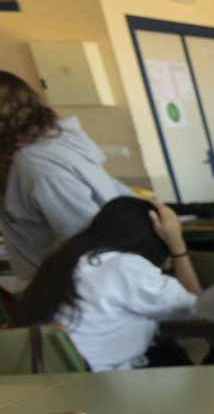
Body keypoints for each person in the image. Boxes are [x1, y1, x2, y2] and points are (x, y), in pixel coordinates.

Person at [11, 196, 204, 370]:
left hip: (43, 379)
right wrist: (177, 245)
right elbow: (198, 305)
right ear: (154, 237)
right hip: (98, 384)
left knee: (167, 351)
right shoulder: (126, 266)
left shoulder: (67, 259)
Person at [0, 71, 129, 278]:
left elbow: (85, 240)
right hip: (72, 282)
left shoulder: (37, 164)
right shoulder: (47, 145)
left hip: (79, 288)